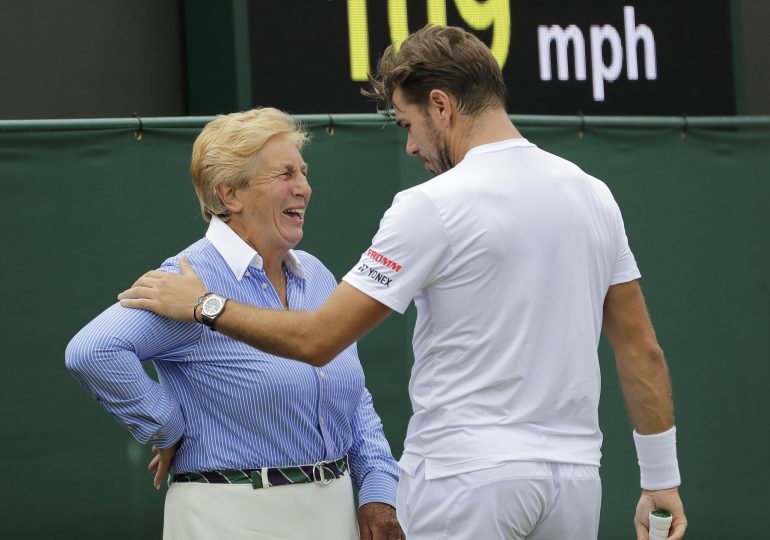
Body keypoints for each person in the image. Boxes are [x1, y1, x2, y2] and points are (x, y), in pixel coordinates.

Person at [118, 25, 687, 540]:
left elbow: (320, 340)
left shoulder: (430, 205)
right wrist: (661, 480)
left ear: (441, 106)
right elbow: (643, 351)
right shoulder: (592, 194)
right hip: (574, 486)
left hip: (465, 482)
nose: (411, 146)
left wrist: (204, 305)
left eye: (409, 124)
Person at [66, 108, 403, 540]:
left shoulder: (315, 273)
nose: (304, 187)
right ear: (229, 195)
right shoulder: (186, 278)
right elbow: (92, 351)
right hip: (229, 518)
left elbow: (354, 393)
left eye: (303, 172)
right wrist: (168, 427)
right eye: (285, 174)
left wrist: (377, 487)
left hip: (334, 512)